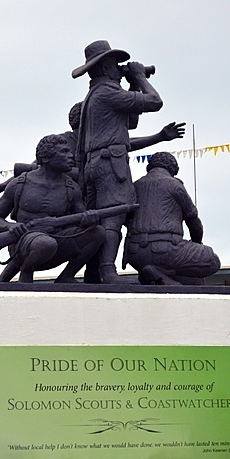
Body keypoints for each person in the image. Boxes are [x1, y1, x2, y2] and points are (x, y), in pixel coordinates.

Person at [73, 40, 166, 283]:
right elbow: (155, 102)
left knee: (100, 220)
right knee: (115, 217)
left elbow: (131, 122)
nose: (119, 68)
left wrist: (133, 83)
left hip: (96, 164)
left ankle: (94, 271)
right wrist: (140, 77)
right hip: (111, 164)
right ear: (105, 68)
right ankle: (108, 271)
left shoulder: (96, 94)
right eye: (116, 64)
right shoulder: (107, 92)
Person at [0, 134, 105, 283]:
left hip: (58, 242)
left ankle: (66, 276)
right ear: (46, 157)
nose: (71, 156)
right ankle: (26, 273)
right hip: (23, 246)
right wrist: (10, 226)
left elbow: (80, 220)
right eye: (64, 152)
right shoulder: (20, 184)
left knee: (98, 233)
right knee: (45, 243)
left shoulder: (71, 188)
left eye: (69, 151)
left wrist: (90, 220)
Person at [123, 152, 220, 285]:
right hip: (166, 251)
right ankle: (161, 273)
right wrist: (197, 243)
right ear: (173, 168)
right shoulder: (174, 185)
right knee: (212, 260)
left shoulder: (134, 186)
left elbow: (125, 219)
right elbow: (193, 221)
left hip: (135, 254)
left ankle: (155, 273)